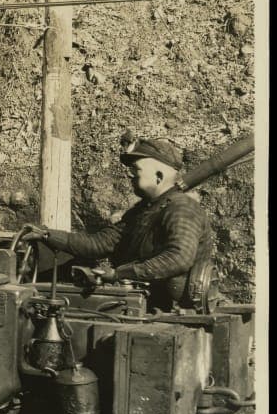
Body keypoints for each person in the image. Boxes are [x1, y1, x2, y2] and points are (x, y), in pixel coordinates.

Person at [20, 134, 214, 313]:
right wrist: (47, 234)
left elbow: (178, 258)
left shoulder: (182, 209)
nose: (130, 175)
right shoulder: (144, 211)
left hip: (172, 311)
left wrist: (118, 273)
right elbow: (99, 243)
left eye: (136, 169)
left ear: (159, 176)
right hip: (148, 305)